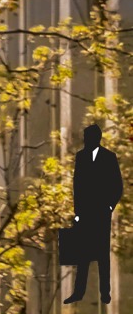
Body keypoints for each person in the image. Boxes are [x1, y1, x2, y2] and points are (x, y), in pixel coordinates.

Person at [71, 123, 123, 304]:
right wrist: (77, 212)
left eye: (88, 137)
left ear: (96, 138)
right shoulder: (81, 157)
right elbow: (77, 186)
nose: (86, 141)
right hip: (85, 213)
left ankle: (105, 293)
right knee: (82, 254)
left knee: (102, 255)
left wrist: (109, 206)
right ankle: (78, 292)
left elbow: (117, 185)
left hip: (101, 213)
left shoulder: (109, 157)